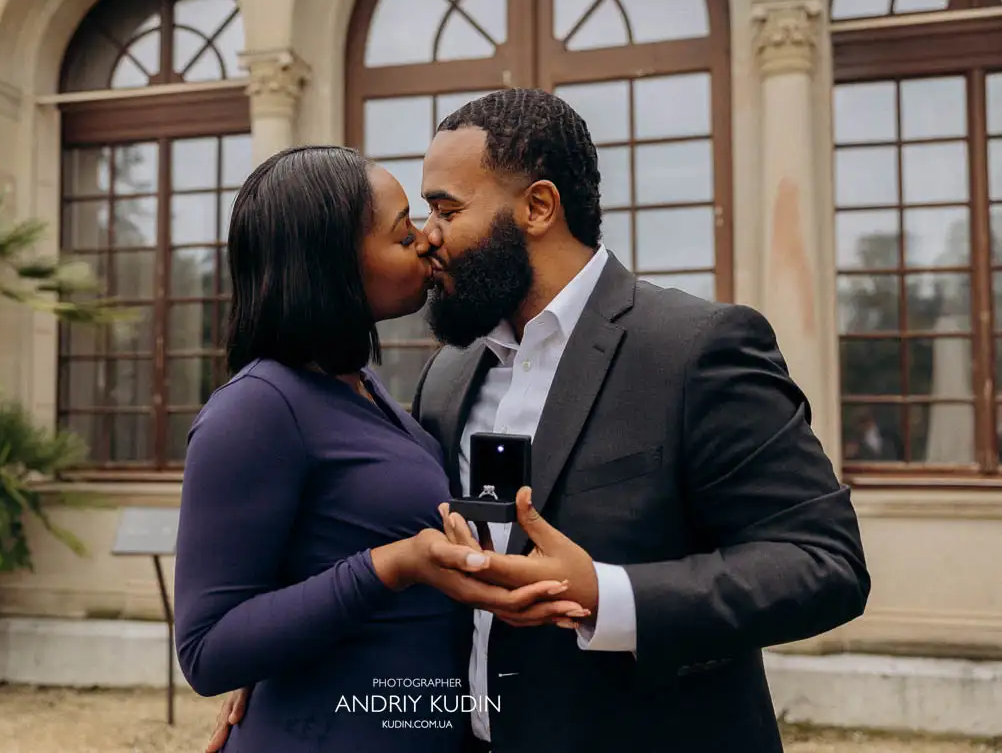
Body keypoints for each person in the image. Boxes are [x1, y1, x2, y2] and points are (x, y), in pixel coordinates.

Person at [208, 91, 871, 753]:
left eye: (446, 209)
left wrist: (608, 595)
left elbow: (823, 562)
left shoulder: (697, 347)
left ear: (538, 207)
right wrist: (279, 667)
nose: (427, 236)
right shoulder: (449, 377)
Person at [174, 145, 587, 753]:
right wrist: (391, 566)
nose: (426, 241)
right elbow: (208, 650)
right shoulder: (255, 409)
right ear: (333, 264)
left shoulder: (368, 389)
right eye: (402, 234)